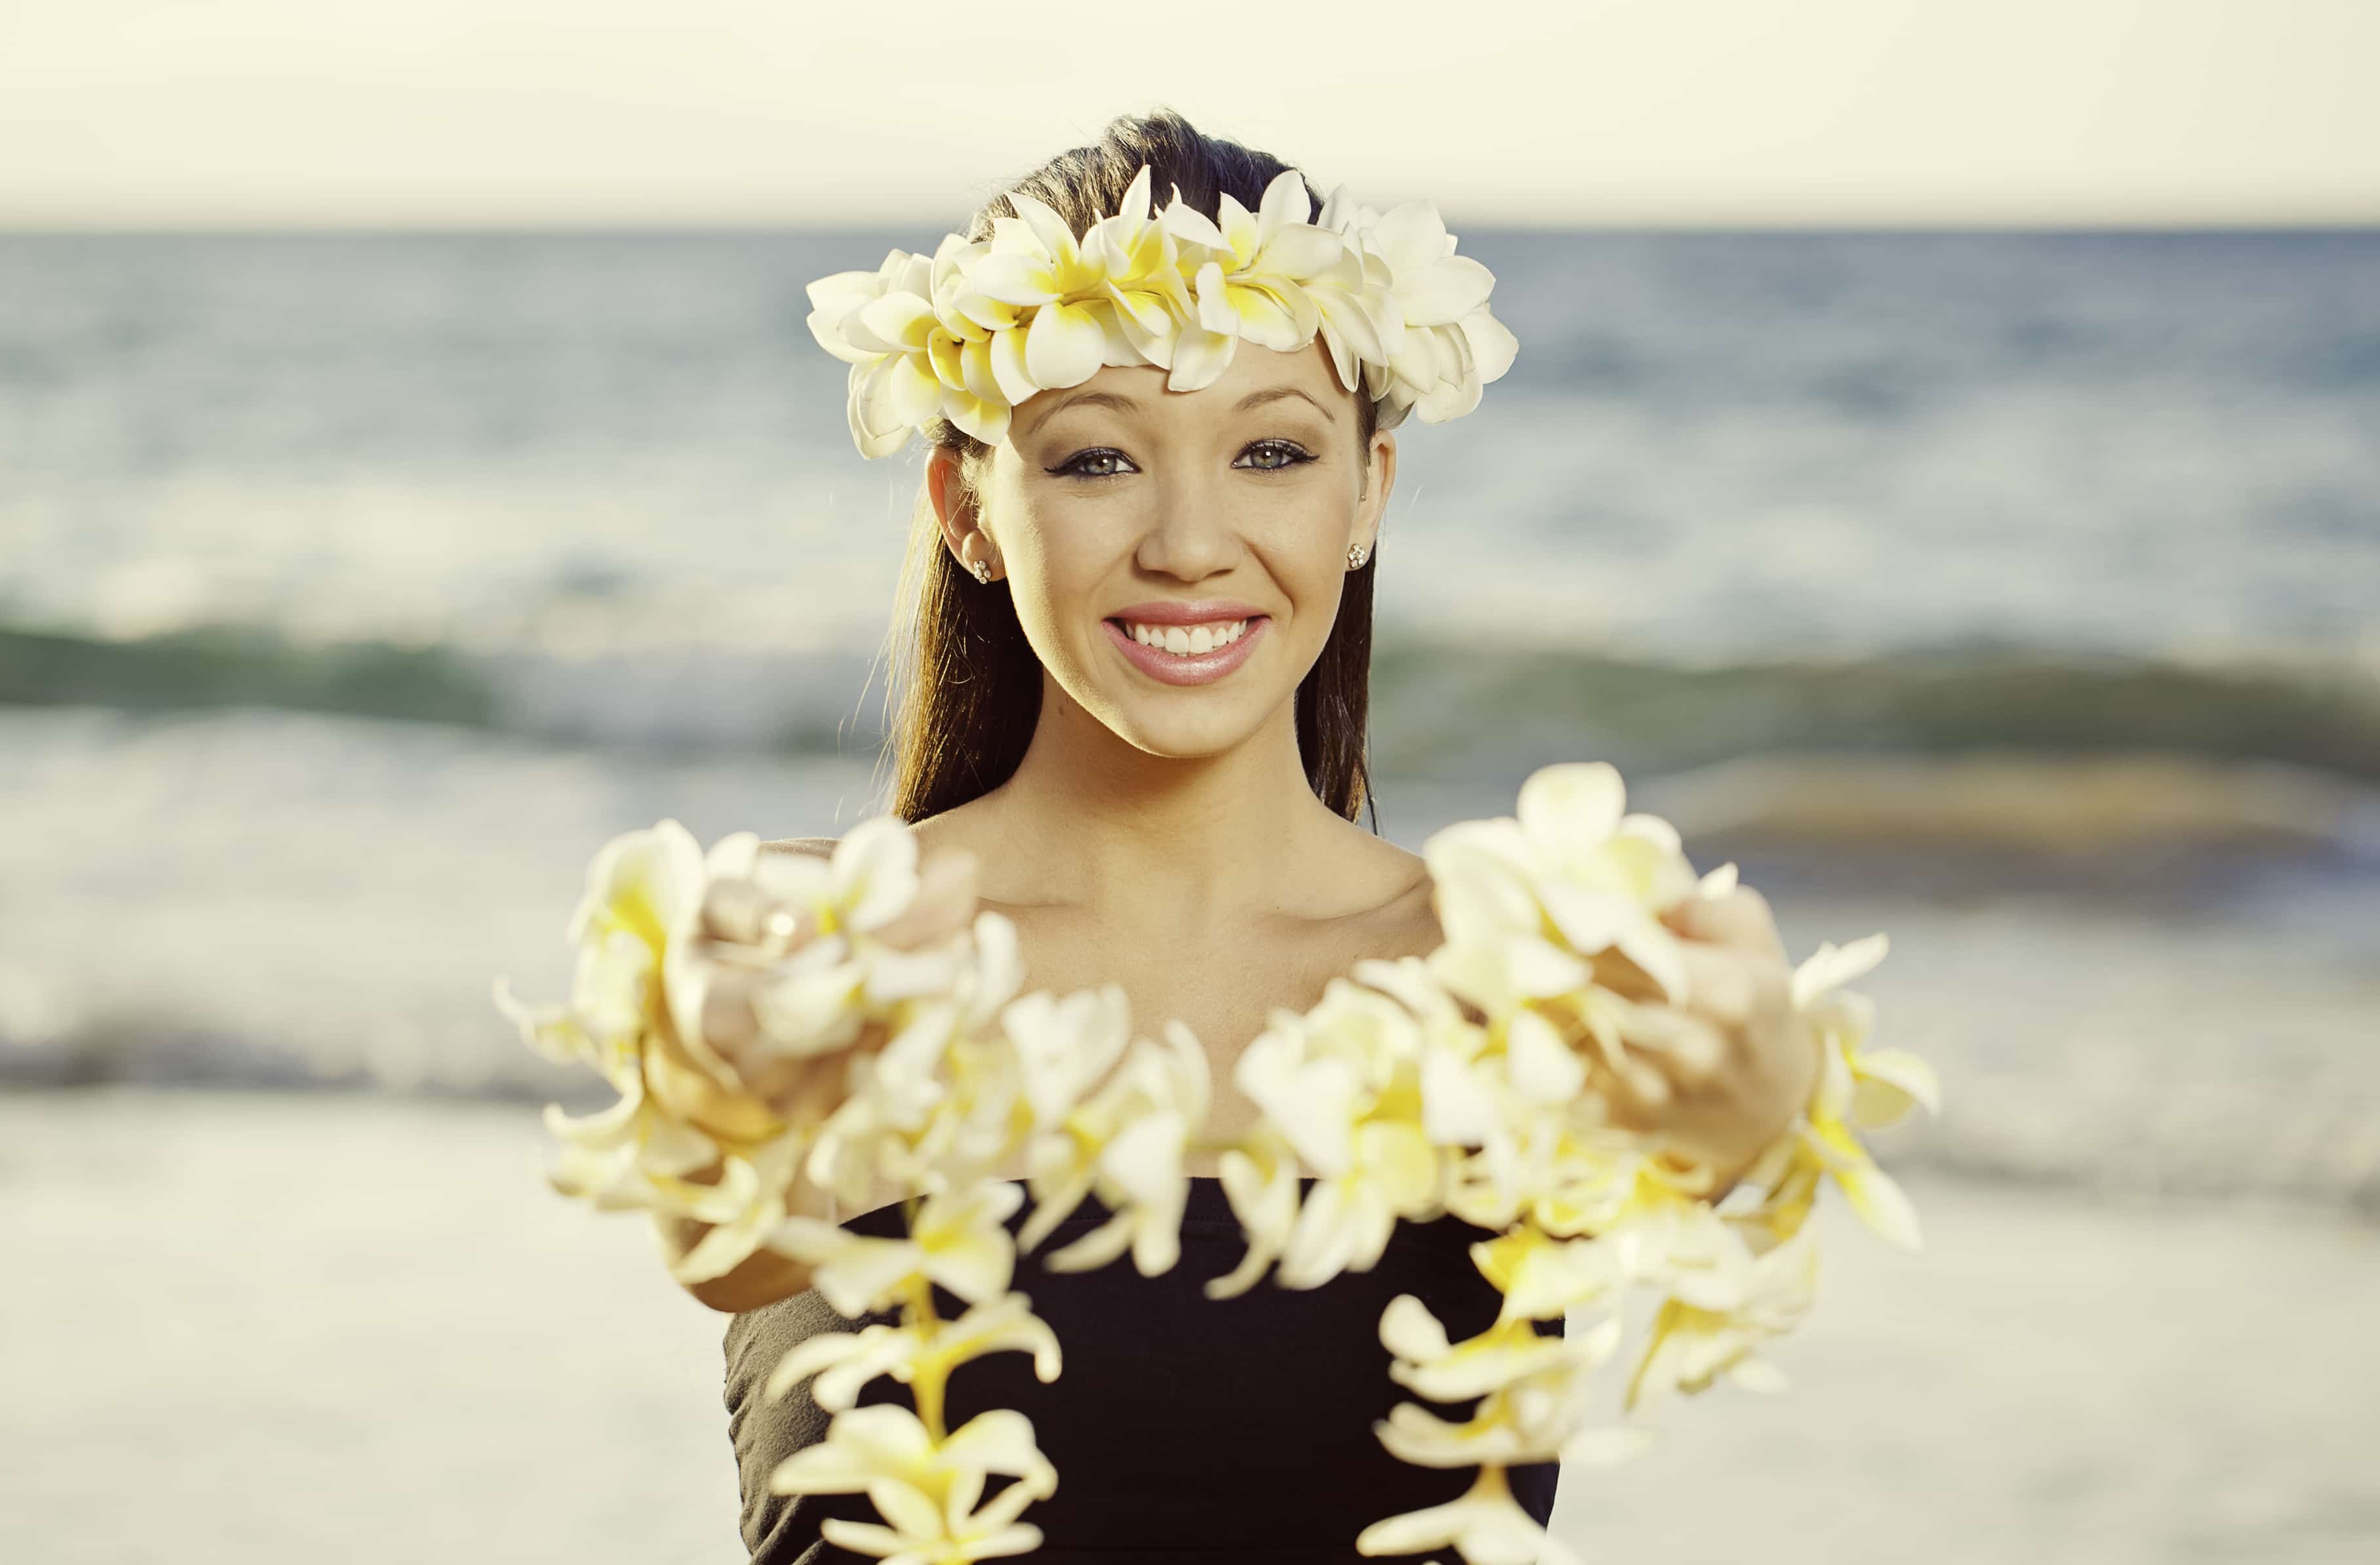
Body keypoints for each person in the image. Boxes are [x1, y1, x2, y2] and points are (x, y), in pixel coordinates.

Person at [658, 106, 1816, 1563]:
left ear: (1365, 498)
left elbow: (1717, 1178)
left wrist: (1753, 1117)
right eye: (1095, 462)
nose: (1192, 543)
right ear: (967, 509)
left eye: (1272, 451)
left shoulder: (1513, 978)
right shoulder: (815, 950)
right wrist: (739, 1116)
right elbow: (733, 1245)